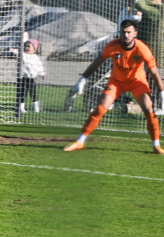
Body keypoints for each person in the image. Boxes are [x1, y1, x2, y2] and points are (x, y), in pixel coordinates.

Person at [65, 19, 164, 154]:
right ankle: (80, 141)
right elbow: (96, 63)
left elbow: (154, 73)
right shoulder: (112, 46)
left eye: (129, 32)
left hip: (137, 82)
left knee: (148, 109)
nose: (126, 35)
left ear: (135, 33)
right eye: (123, 32)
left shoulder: (142, 49)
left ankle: (156, 146)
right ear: (120, 33)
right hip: (116, 82)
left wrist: (162, 92)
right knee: (100, 108)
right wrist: (82, 79)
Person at [13, 39, 45, 116]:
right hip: (24, 78)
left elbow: (39, 67)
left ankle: (36, 107)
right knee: (23, 93)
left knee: (33, 92)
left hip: (32, 78)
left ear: (34, 49)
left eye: (29, 46)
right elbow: (18, 52)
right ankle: (21, 107)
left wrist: (42, 74)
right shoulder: (23, 55)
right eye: (26, 46)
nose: (27, 48)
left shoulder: (36, 58)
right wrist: (12, 50)